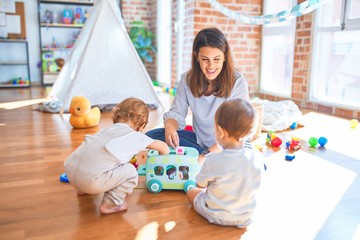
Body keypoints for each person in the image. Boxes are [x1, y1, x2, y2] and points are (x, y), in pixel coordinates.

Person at [146, 27, 250, 159]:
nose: (211, 66)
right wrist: (170, 127)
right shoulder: (187, 79)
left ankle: (205, 160)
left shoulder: (238, 82)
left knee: (252, 164)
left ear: (225, 56)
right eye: (205, 59)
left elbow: (239, 131)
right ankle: (205, 160)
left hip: (229, 146)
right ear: (196, 56)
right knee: (152, 136)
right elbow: (177, 113)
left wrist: (205, 155)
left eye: (216, 59)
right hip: (200, 143)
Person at [64, 97, 170, 215]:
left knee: (97, 158)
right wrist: (163, 156)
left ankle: (82, 189)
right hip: (90, 182)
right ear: (142, 124)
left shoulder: (106, 131)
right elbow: (164, 148)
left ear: (116, 116)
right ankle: (110, 204)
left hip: (71, 171)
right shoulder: (135, 136)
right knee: (130, 171)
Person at [186, 99, 264, 228]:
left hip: (215, 215)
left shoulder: (213, 160)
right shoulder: (258, 158)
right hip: (246, 217)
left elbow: (199, 184)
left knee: (192, 192)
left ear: (221, 132)